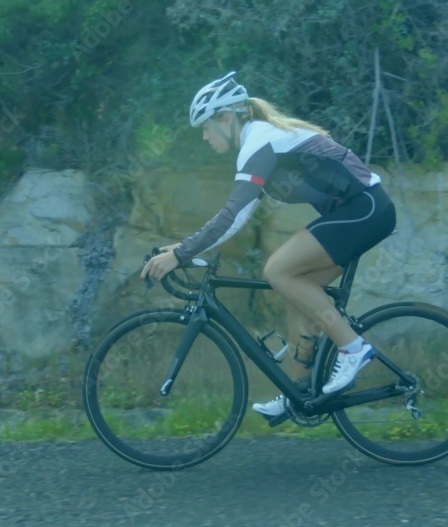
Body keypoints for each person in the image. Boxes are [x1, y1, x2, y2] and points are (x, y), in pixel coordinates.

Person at [140, 71, 397, 418]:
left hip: (366, 208)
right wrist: (180, 249)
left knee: (277, 269)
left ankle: (352, 349)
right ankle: (299, 393)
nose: (204, 137)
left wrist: (180, 254)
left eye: (205, 127)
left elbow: (234, 215)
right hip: (361, 211)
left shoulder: (259, 141)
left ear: (225, 118)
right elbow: (231, 217)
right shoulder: (262, 142)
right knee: (297, 286)